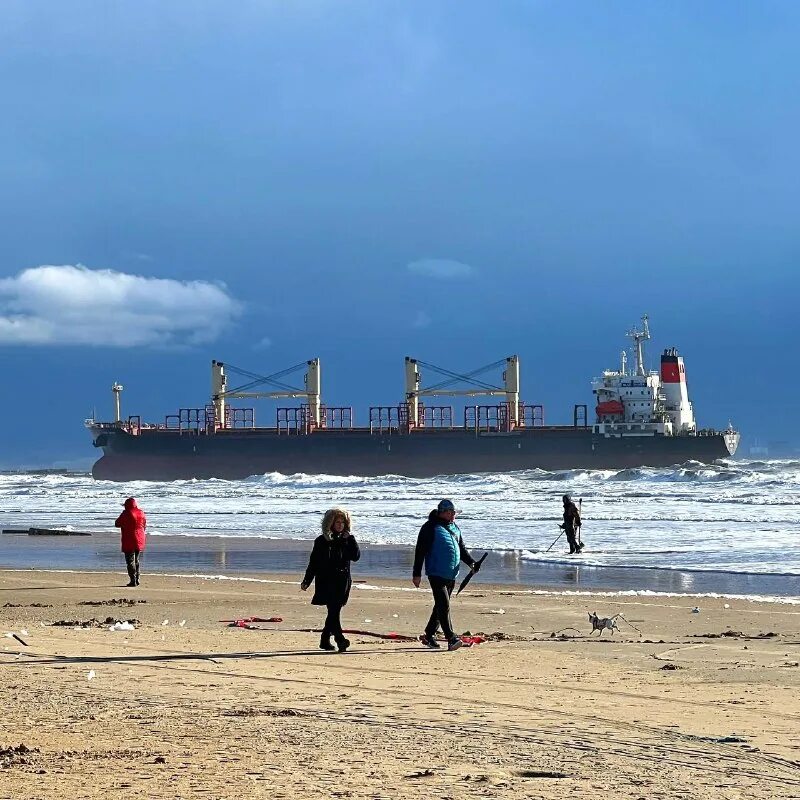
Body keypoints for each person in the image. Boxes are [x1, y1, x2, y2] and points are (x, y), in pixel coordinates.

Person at [412, 499, 479, 652]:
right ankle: (451, 637)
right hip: (436, 572)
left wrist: (472, 564)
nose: (454, 515)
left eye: (454, 513)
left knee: (440, 605)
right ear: (445, 512)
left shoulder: (455, 527)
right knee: (444, 605)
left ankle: (429, 634)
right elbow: (420, 551)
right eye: (452, 512)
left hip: (451, 574)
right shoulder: (430, 527)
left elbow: (461, 549)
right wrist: (417, 574)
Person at [301, 508, 361, 652]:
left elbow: (356, 556)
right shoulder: (321, 541)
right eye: (337, 522)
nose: (340, 525)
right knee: (333, 610)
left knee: (334, 611)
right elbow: (313, 562)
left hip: (342, 580)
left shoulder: (347, 539)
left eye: (342, 522)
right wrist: (307, 580)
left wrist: (350, 540)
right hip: (326, 580)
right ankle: (340, 639)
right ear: (330, 523)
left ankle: (324, 639)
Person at [115, 497, 147, 587]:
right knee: (136, 560)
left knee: (130, 561)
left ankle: (133, 580)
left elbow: (117, 523)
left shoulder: (126, 513)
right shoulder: (141, 512)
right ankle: (137, 579)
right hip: (140, 538)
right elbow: (144, 524)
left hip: (129, 539)